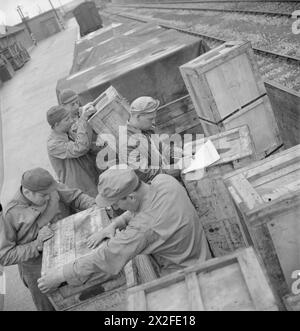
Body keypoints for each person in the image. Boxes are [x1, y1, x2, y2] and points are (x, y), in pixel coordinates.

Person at [37, 166, 210, 293]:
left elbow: (106, 256)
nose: (115, 207)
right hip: (201, 254)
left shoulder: (142, 230)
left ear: (131, 197)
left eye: (116, 203)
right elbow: (145, 208)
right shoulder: (163, 181)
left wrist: (59, 275)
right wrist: (115, 224)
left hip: (185, 278)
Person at [0, 168, 95, 311]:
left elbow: (75, 197)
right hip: (37, 267)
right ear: (27, 192)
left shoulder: (50, 187)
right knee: (49, 306)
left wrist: (94, 205)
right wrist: (36, 245)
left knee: (85, 292)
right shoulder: (10, 215)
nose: (49, 197)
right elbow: (4, 255)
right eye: (43, 195)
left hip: (69, 248)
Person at [118, 96, 181, 183]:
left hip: (167, 180)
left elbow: (162, 149)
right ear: (137, 116)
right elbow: (144, 174)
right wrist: (172, 169)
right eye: (150, 119)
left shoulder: (147, 130)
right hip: (156, 190)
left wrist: (181, 153)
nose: (154, 122)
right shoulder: (126, 143)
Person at [47, 104, 99, 197]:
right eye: (67, 119)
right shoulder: (53, 144)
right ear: (56, 125)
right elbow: (80, 148)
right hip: (80, 188)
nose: (71, 121)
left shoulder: (66, 130)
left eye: (70, 117)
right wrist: (83, 120)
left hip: (90, 176)